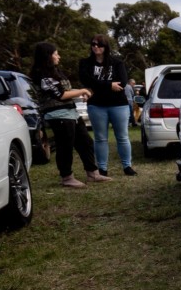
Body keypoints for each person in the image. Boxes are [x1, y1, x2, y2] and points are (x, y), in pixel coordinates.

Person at [30, 42, 112, 188]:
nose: (58, 56)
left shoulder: (55, 71)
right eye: (56, 54)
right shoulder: (41, 75)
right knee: (65, 147)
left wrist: (82, 93)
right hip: (58, 116)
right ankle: (67, 177)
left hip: (71, 113)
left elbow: (66, 90)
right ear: (47, 56)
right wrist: (82, 91)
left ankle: (92, 173)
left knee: (86, 142)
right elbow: (60, 95)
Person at [78, 35, 137, 176]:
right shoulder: (85, 63)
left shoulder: (117, 63)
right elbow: (86, 80)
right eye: (93, 44)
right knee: (100, 138)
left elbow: (122, 82)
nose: (96, 47)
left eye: (99, 45)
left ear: (106, 47)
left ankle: (127, 166)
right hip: (96, 105)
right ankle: (102, 168)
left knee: (122, 137)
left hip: (118, 105)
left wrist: (97, 86)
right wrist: (109, 85)